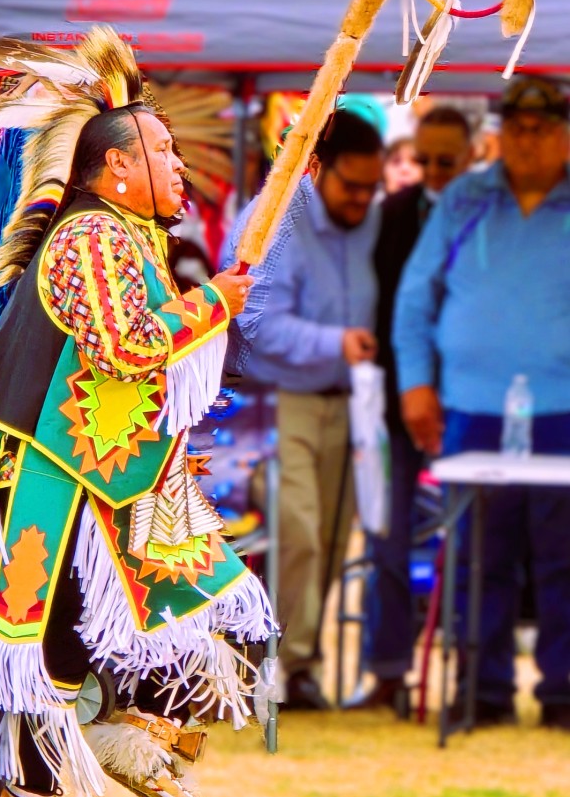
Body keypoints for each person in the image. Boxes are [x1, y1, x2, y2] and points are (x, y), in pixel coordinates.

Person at [0, 29, 273, 797]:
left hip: (111, 477)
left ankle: (134, 732)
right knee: (41, 650)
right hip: (46, 480)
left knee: (204, 608)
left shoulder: (125, 235)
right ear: (116, 167)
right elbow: (125, 345)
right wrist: (210, 304)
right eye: (161, 150)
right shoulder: (89, 236)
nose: (178, 166)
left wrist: (204, 304)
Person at [394, 75, 570, 728]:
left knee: (564, 557)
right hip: (471, 407)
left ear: (562, 136)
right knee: (478, 554)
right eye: (518, 128)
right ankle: (483, 690)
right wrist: (415, 383)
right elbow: (415, 299)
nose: (529, 141)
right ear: (500, 133)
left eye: (543, 128)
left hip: (562, 409)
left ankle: (564, 693)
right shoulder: (466, 199)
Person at [230, 109, 383, 710]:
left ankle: (304, 668)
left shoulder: (357, 221)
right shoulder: (275, 220)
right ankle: (273, 668)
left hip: (345, 403)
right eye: (351, 186)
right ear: (316, 166)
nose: (362, 199)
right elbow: (255, 320)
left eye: (372, 188)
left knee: (330, 533)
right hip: (276, 404)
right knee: (299, 535)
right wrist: (335, 342)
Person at [345, 106, 473, 711]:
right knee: (388, 541)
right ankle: (389, 671)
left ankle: (478, 678)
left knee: (476, 543)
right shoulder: (392, 216)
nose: (433, 172)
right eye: (424, 161)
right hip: (398, 404)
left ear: (473, 156)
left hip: (477, 408)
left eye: (446, 161)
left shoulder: (492, 216)